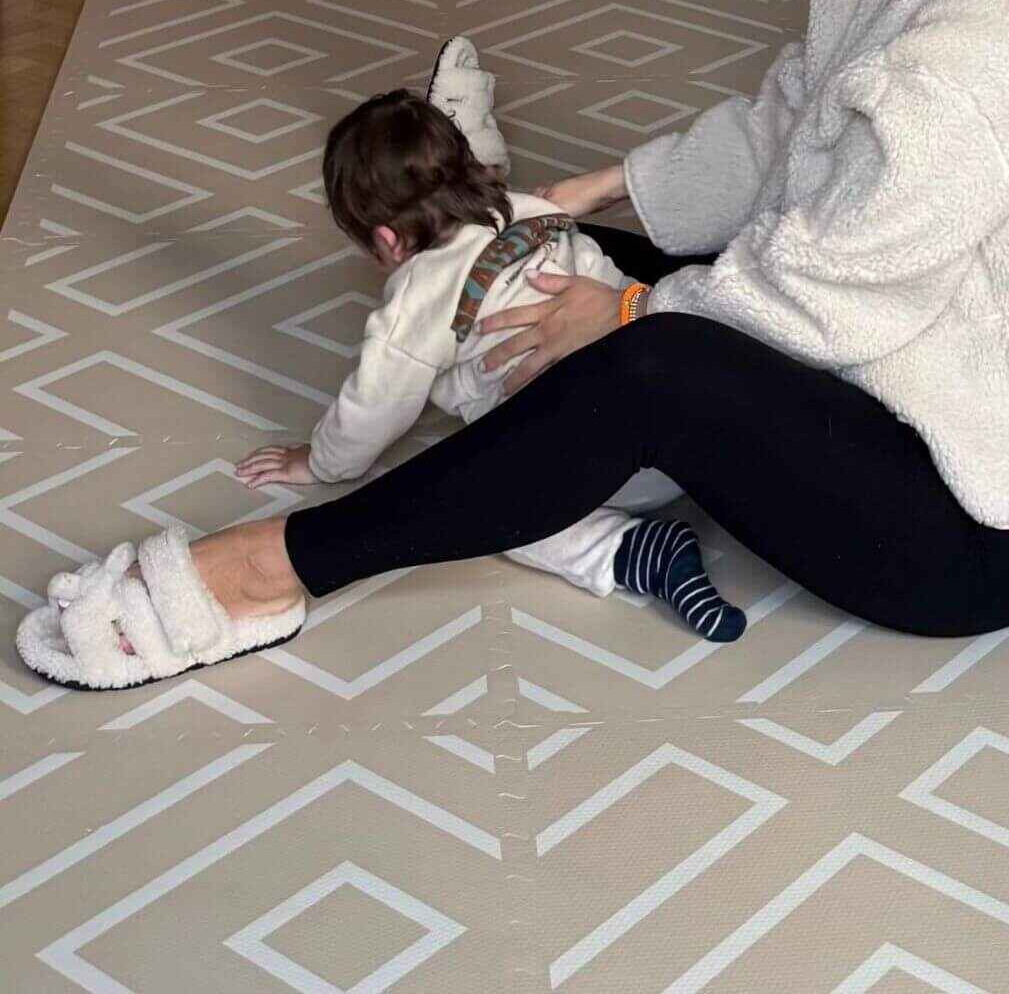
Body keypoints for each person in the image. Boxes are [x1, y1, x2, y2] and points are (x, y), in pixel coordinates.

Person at [17, 0, 1009, 690]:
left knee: (650, 356)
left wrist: (633, 312)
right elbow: (778, 133)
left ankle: (272, 570)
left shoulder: (966, 70)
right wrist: (575, 199)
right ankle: (527, 415)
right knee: (558, 267)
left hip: (975, 526)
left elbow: (828, 292)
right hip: (897, 371)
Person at [230, 88, 739, 639]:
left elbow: (374, 406)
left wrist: (319, 463)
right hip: (690, 424)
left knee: (490, 507)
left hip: (609, 469)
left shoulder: (415, 303)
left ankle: (625, 552)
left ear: (386, 239)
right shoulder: (536, 211)